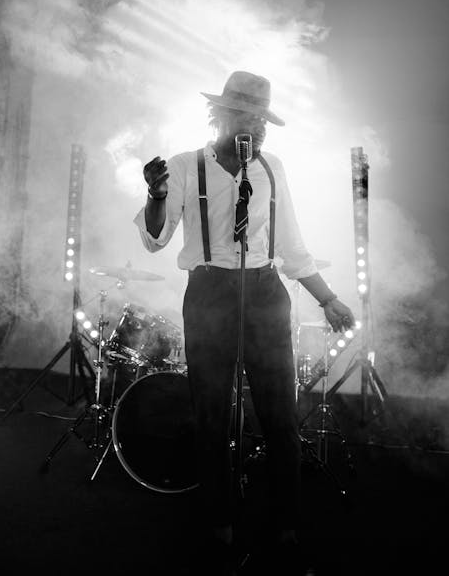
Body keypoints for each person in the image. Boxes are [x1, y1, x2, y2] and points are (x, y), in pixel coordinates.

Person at [134, 71, 355, 574]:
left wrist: (328, 299)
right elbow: (155, 237)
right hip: (210, 292)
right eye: (244, 114)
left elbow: (293, 247)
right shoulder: (187, 165)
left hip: (265, 294)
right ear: (220, 114)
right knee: (211, 418)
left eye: (261, 118)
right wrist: (156, 195)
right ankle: (219, 526)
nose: (254, 124)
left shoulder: (273, 168)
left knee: (280, 417)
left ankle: (287, 525)